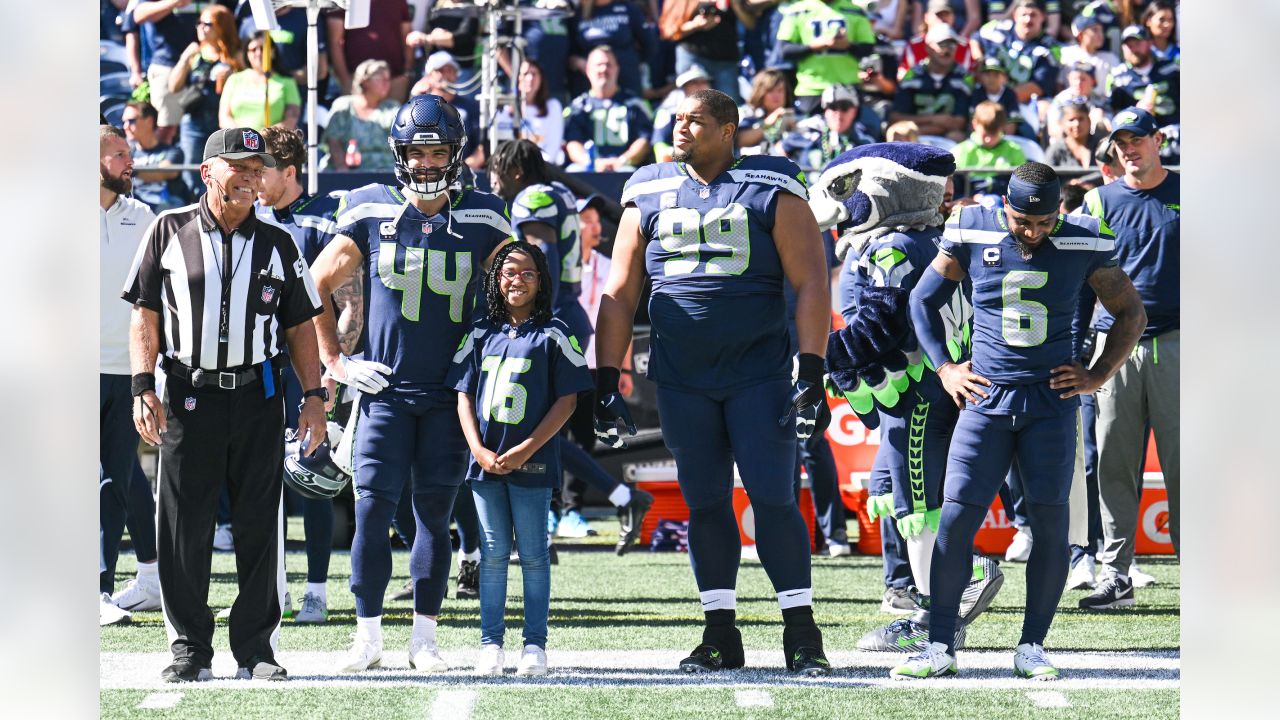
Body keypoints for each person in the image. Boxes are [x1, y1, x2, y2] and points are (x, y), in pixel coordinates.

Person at [594, 88, 833, 675]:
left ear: (729, 130)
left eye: (696, 121)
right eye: (677, 119)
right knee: (704, 504)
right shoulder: (645, 189)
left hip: (758, 372)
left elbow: (811, 281)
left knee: (774, 498)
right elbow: (620, 292)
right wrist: (605, 377)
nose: (681, 129)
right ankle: (719, 632)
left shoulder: (772, 183)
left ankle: (802, 633)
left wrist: (813, 366)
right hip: (682, 378)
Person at [895, 161, 1146, 680]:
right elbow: (921, 299)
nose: (1032, 232)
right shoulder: (971, 224)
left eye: (1044, 222)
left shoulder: (1085, 237)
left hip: (1050, 405)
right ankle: (940, 644)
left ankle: (1031, 646)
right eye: (1021, 221)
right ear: (1003, 206)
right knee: (957, 520)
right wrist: (944, 368)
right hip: (986, 400)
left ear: (1060, 211)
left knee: (1052, 525)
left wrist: (1097, 375)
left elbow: (1131, 312)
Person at [308, 94, 512, 674]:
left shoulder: (484, 214)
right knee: (371, 511)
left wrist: (488, 362)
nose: (425, 162)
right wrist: (337, 364)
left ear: (455, 153)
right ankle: (366, 634)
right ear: (399, 154)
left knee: (433, 514)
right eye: (415, 152)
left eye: (436, 150)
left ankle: (425, 637)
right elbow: (314, 284)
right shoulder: (371, 208)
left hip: (451, 395)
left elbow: (519, 289)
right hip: (385, 392)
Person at [123, 126, 328, 683]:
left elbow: (300, 326)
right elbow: (145, 312)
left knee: (261, 527)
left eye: (257, 168)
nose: (249, 176)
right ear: (207, 170)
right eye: (238, 166)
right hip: (187, 397)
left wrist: (314, 397)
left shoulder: (279, 242)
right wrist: (143, 387)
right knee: (183, 528)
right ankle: (189, 647)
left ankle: (256, 649)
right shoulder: (169, 229)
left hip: (259, 399)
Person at [487, 140, 655, 550]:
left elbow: (537, 257)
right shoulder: (560, 194)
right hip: (566, 314)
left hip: (551, 317)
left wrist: (528, 318)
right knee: (537, 432)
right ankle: (573, 516)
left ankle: (620, 497)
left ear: (514, 170)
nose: (492, 181)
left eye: (496, 170)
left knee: (532, 431)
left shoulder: (536, 198)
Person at [449, 241, 593, 676]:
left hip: (531, 460)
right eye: (509, 272)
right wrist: (477, 449)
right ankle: (490, 644)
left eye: (527, 273)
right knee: (492, 553)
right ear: (495, 279)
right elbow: (463, 395)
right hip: (485, 462)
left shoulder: (554, 332)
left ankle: (535, 646)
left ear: (542, 280)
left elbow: (568, 400)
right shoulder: (479, 332)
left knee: (532, 553)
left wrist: (527, 448)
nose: (517, 280)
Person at [1078, 107, 1179, 611]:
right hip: (1113, 345)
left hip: (1183, 342)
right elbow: (1079, 276)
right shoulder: (1098, 199)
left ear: (1158, 139)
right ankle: (1115, 572)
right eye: (1119, 142)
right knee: (1113, 463)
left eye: (1137, 138)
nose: (1128, 148)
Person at [255, 125, 351, 624]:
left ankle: (316, 588)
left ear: (289, 172)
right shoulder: (249, 218)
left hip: (309, 365)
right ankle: (274, 586)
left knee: (311, 473)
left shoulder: (323, 221)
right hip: (261, 362)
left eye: (263, 170)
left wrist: (331, 367)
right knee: (264, 477)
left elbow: (343, 300)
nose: (255, 178)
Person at [100, 124, 160, 627]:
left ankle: (99, 586)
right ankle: (151, 575)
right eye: (118, 154)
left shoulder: (145, 219)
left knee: (112, 477)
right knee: (112, 478)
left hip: (128, 371)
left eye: (128, 152)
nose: (129, 160)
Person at [775, 0, 877, 114]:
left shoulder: (855, 11)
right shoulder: (798, 11)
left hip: (847, 87)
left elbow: (868, 48)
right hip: (811, 88)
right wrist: (815, 46)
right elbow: (784, 51)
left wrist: (848, 46)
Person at [563, 46, 654, 172]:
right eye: (599, 65)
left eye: (608, 65)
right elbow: (572, 143)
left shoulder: (635, 104)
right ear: (588, 70)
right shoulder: (578, 107)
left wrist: (622, 160)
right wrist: (592, 162)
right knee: (573, 171)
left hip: (624, 168)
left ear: (617, 69)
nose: (604, 69)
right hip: (589, 168)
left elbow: (643, 140)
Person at [124, 0, 199, 144]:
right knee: (167, 128)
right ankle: (161, 164)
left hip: (203, 64)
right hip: (166, 65)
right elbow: (138, 16)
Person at [889, 24, 973, 141]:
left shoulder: (963, 78)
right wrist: (935, 119)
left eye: (952, 44)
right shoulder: (913, 76)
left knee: (957, 136)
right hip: (913, 137)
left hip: (946, 137)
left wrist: (917, 129)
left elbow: (959, 123)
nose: (948, 49)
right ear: (928, 48)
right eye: (942, 44)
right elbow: (896, 117)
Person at [668, 0, 756, 103]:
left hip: (726, 61)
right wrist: (695, 25)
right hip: (693, 58)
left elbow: (751, 24)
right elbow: (669, 31)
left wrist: (736, 4)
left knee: (727, 109)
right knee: (694, 107)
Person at [975, 0, 1060, 104]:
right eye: (1024, 15)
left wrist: (999, 100)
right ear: (1015, 15)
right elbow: (975, 39)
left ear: (1043, 16)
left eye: (1033, 15)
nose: (1028, 20)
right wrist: (978, 60)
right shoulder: (998, 28)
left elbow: (1037, 86)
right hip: (984, 93)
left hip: (1021, 103)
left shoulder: (1050, 48)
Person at [410, 52, 484, 169]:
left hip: (464, 174)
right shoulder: (418, 105)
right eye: (440, 71)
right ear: (428, 76)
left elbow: (482, 147)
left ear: (456, 75)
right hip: (425, 170)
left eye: (450, 70)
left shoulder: (471, 108)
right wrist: (414, 98)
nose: (446, 75)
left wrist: (463, 169)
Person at [326, 0, 412, 101]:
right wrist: (345, 80)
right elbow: (335, 41)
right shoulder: (343, 1)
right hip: (359, 81)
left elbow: (407, 35)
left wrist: (406, 74)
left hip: (395, 80)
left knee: (395, 116)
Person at [324, 59, 400, 171]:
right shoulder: (344, 106)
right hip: (348, 172)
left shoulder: (393, 108)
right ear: (365, 81)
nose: (386, 83)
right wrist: (341, 169)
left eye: (388, 79)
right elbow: (333, 141)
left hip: (386, 172)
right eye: (380, 78)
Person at [782, 84, 876, 172]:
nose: (838, 114)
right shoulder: (809, 130)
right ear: (825, 110)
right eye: (833, 107)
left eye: (845, 107)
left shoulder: (865, 140)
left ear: (855, 111)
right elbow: (781, 148)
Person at [218, 31, 301, 130]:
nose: (259, 53)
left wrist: (264, 136)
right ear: (247, 54)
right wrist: (244, 136)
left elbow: (291, 120)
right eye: (253, 49)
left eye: (263, 48)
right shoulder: (234, 80)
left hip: (271, 142)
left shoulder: (287, 82)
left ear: (273, 52)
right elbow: (224, 117)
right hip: (239, 141)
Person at [574, 0, 654, 98]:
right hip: (590, 85)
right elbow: (569, 49)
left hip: (626, 81)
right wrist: (577, 61)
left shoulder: (628, 8)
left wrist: (630, 61)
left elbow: (650, 45)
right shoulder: (578, 12)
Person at [1106, 25, 1180, 130]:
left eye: (1137, 43)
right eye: (1129, 45)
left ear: (1149, 43)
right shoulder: (1117, 77)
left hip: (1175, 131)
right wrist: (1136, 113)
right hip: (1138, 137)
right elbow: (1110, 111)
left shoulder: (1172, 68)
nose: (1134, 49)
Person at [121, 101, 189, 213]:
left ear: (149, 121)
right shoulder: (127, 153)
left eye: (131, 121)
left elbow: (165, 172)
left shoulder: (172, 152)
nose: (125, 126)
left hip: (166, 209)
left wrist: (130, 170)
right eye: (124, 122)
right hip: (137, 208)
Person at [495, 59, 565, 165]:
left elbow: (553, 149)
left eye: (534, 74)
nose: (530, 78)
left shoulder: (553, 107)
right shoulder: (503, 110)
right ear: (516, 78)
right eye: (525, 74)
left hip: (543, 168)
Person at [950, 100, 1026, 198]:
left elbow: (1021, 189)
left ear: (1003, 127)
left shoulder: (1015, 151)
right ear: (974, 124)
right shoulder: (959, 152)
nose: (989, 139)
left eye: (993, 134)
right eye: (985, 134)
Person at [897, 0, 975, 80]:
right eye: (938, 15)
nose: (943, 19)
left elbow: (971, 78)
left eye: (946, 14)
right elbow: (903, 76)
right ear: (926, 17)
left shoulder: (963, 46)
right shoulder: (914, 45)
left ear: (953, 17)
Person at [652, 66, 713, 163]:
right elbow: (660, 148)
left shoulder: (718, 112)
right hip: (679, 167)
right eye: (694, 82)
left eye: (704, 82)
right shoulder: (668, 111)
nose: (701, 86)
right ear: (683, 87)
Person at [736, 69, 798, 156]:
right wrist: (767, 123)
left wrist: (795, 128)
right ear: (760, 92)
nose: (776, 96)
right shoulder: (747, 113)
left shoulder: (794, 113)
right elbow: (739, 141)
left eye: (780, 90)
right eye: (770, 91)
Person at [1058, 13, 1119, 89]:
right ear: (1081, 35)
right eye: (1095, 30)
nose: (1100, 34)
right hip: (1072, 99)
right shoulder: (1067, 54)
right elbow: (1059, 84)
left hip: (1102, 100)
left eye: (1101, 30)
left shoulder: (1110, 58)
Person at [1045, 99, 1104, 168]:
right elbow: (1046, 176)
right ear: (1063, 123)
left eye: (1081, 119)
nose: (1076, 124)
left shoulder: (1101, 146)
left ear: (1089, 121)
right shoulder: (1055, 150)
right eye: (1071, 120)